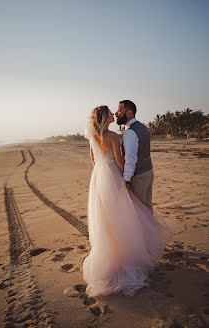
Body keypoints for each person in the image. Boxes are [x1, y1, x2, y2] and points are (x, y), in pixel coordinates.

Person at [83, 105, 171, 298]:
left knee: (105, 217)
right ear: (106, 118)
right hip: (113, 177)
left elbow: (93, 160)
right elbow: (120, 161)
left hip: (98, 178)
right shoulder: (113, 136)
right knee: (121, 215)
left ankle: (109, 255)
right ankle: (126, 253)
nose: (115, 115)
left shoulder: (93, 137)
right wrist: (125, 181)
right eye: (111, 114)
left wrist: (101, 174)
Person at [116, 100, 154, 212]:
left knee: (140, 212)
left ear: (129, 113)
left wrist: (126, 181)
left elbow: (130, 159)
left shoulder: (130, 132)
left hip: (138, 177)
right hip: (148, 172)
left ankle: (147, 230)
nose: (116, 113)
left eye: (120, 110)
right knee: (147, 209)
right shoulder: (142, 127)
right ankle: (150, 230)